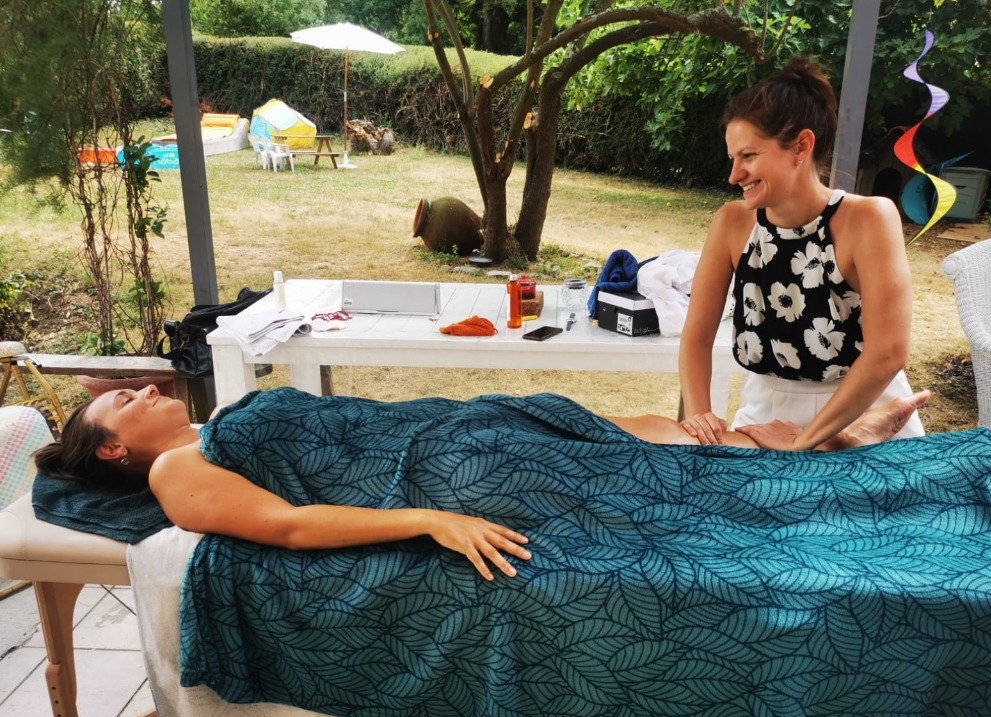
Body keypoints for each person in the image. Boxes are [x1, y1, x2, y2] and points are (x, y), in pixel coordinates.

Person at [34, 384, 928, 580]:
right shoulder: (181, 470)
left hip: (451, 424)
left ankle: (841, 448)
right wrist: (432, 519)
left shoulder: (210, 424)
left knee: (655, 436)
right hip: (441, 465)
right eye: (125, 400)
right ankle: (844, 475)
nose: (147, 388)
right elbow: (291, 526)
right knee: (652, 468)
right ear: (115, 451)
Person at [678, 55, 925, 452]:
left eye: (749, 156)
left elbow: (888, 353)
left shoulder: (868, 219)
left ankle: (841, 441)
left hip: (862, 405)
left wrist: (806, 442)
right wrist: (700, 416)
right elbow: (696, 337)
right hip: (766, 410)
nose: (734, 175)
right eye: (732, 158)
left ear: (802, 146)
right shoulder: (732, 223)